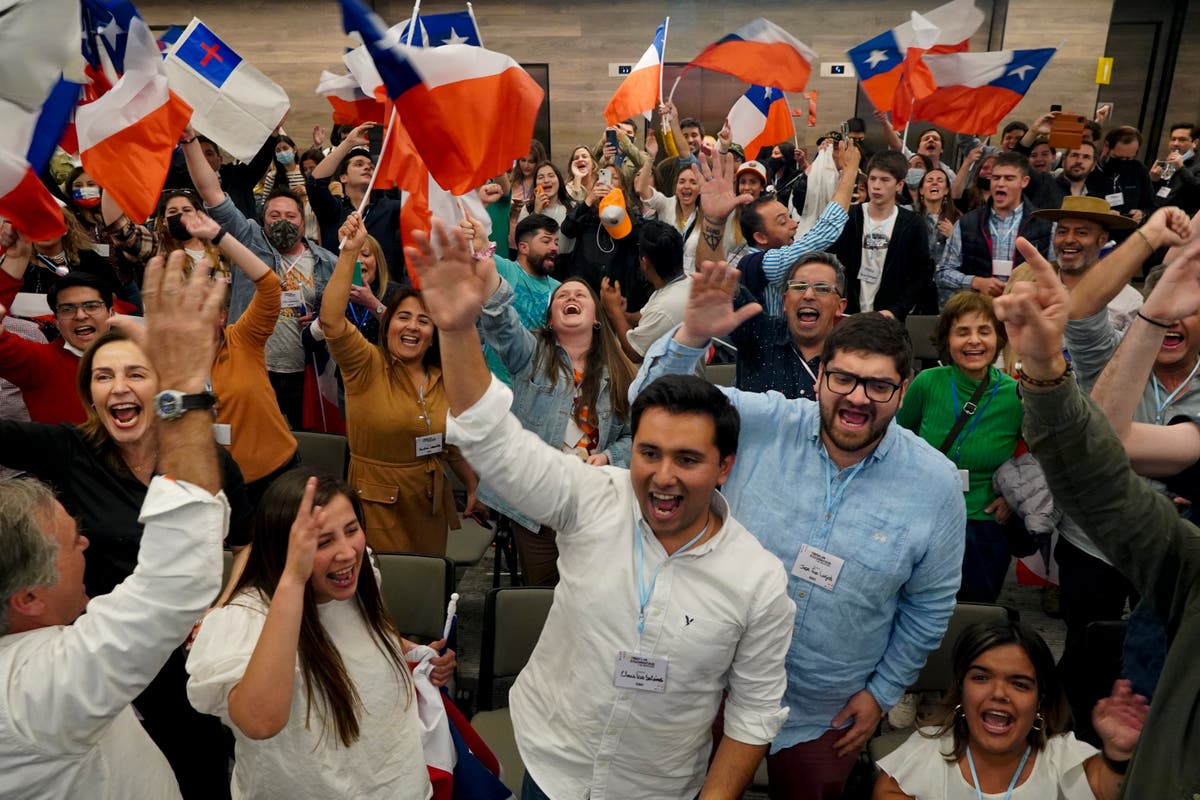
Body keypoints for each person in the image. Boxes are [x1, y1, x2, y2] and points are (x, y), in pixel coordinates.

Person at [406, 221, 796, 800]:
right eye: (649, 454)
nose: (662, 476)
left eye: (687, 458)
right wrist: (458, 329)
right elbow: (495, 443)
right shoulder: (596, 499)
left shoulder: (758, 582)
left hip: (658, 787)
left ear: (724, 468)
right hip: (551, 766)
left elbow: (753, 715)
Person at [633, 264, 966, 800]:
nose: (858, 398)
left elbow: (928, 606)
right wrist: (690, 338)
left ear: (903, 391)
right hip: (714, 683)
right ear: (820, 378)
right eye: (843, 379)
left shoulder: (936, 484)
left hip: (825, 711)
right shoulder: (765, 422)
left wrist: (882, 693)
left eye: (879, 384)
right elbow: (649, 407)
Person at [0, 254, 232, 799]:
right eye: (104, 375)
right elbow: (173, 583)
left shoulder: (203, 458)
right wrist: (187, 387)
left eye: (136, 373)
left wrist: (219, 611)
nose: (81, 538)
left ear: (156, 386)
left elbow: (242, 540)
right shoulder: (68, 450)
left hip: (195, 659)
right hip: (117, 648)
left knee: (201, 764)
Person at [993, 235, 1200, 797]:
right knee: (1103, 664)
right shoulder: (1126, 347)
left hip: (1150, 546)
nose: (1182, 319)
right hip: (1098, 542)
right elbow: (1103, 453)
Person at [187, 471, 455, 800]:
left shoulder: (358, 576)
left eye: (352, 530)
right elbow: (260, 721)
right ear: (284, 549)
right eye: (323, 542)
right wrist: (294, 580)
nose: (347, 553)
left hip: (397, 782)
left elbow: (364, 635)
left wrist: (412, 653)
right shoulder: (248, 619)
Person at [319, 214, 478, 555]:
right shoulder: (366, 363)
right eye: (403, 317)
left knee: (426, 590)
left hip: (430, 506)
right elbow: (331, 321)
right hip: (378, 508)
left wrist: (472, 484)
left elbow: (445, 445)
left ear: (433, 335)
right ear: (388, 323)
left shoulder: (441, 377)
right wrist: (350, 253)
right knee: (386, 592)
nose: (413, 327)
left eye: (424, 321)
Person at [476, 259, 635, 586]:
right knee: (544, 599)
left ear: (596, 319)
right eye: (561, 296)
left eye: (580, 295)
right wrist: (482, 256)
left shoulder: (622, 372)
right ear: (550, 319)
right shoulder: (529, 353)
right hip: (537, 507)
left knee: (591, 598)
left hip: (594, 506)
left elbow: (638, 439)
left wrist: (610, 457)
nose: (570, 298)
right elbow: (500, 320)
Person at [874, 620, 1146, 800]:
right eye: (981, 678)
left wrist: (1119, 755)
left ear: (1040, 699)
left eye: (1019, 684)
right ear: (961, 689)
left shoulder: (1064, 759)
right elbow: (889, 791)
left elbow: (1111, 790)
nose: (999, 693)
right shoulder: (928, 749)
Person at [184, 124, 337, 430]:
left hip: (302, 374)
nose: (283, 222)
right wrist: (189, 141)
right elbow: (211, 193)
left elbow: (343, 315)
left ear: (302, 220)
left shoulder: (326, 262)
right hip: (250, 366)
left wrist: (322, 319)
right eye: (274, 215)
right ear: (262, 219)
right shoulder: (249, 240)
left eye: (290, 216)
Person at [896, 293, 1023, 602]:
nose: (974, 341)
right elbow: (896, 441)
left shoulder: (1016, 393)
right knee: (917, 605)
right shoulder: (927, 383)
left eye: (984, 330)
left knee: (975, 610)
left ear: (999, 337)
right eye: (962, 332)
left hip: (984, 524)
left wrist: (1013, 496)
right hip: (924, 517)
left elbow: (1038, 455)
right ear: (947, 340)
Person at [180, 211, 299, 506]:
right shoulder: (172, 363)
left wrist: (220, 236)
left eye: (205, 305)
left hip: (277, 478)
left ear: (222, 315)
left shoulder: (242, 338)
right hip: (212, 489)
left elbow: (270, 287)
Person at [696, 146, 860, 318]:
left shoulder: (765, 255)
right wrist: (850, 170)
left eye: (789, 217)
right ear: (760, 237)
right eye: (783, 222)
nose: (794, 224)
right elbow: (824, 232)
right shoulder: (771, 263)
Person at [0, 249, 113, 424]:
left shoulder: (139, 359)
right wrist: (16, 259)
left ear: (111, 314)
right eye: (67, 309)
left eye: (91, 306)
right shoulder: (38, 362)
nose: (81, 315)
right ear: (56, 321)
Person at [936, 152, 1054, 307]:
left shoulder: (1045, 224)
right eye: (996, 178)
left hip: (1025, 311)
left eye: (1009, 178)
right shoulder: (967, 223)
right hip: (980, 310)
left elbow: (1055, 274)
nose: (1000, 184)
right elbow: (943, 272)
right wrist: (976, 282)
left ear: (1024, 182)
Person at [728, 252, 847, 400]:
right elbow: (717, 278)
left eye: (822, 288)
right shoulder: (760, 332)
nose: (808, 295)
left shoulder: (852, 355)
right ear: (784, 301)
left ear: (840, 307)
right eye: (799, 286)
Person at [829, 150, 933, 319]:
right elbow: (830, 255)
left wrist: (897, 310)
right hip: (849, 312)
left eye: (885, 180)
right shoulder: (850, 216)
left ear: (899, 185)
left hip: (889, 316)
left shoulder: (912, 224)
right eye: (872, 179)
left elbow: (921, 273)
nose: (876, 186)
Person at [308, 122, 403, 270]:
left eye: (371, 167)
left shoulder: (390, 209)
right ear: (343, 177)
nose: (367, 167)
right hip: (337, 289)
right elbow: (315, 183)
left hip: (382, 291)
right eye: (359, 164)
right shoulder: (333, 209)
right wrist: (348, 143)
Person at [601, 220, 690, 363]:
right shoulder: (680, 285)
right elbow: (645, 317)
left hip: (672, 384)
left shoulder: (665, 306)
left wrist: (614, 311)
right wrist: (622, 313)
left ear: (644, 261)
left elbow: (634, 352)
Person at [154, 189, 231, 280]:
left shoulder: (221, 248)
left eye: (187, 210)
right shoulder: (158, 250)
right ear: (164, 221)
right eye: (173, 211)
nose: (181, 215)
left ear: (198, 215)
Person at [517, 161, 576, 258]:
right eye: (540, 177)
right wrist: (536, 211)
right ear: (536, 184)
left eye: (551, 176)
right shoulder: (528, 208)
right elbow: (521, 238)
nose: (546, 180)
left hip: (566, 263)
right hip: (537, 262)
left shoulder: (572, 207)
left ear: (559, 180)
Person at [1150, 122, 1200, 216]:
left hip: (1182, 222)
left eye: (1182, 140)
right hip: (1158, 217)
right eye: (1173, 139)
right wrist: (1153, 181)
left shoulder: (1198, 164)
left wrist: (1181, 169)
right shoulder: (1165, 162)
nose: (1175, 143)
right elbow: (1156, 195)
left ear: (1195, 143)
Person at [916, 168, 960, 268]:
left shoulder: (958, 218)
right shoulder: (910, 215)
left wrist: (953, 237)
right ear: (921, 190)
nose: (934, 183)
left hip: (945, 279)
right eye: (929, 180)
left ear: (946, 190)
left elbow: (965, 255)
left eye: (940, 180)